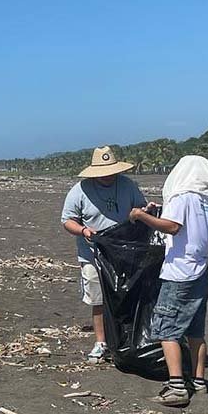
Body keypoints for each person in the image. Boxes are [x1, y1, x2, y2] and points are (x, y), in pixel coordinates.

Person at [129, 155, 208, 407]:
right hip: (201, 273)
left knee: (167, 329)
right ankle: (199, 382)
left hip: (180, 273)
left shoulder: (181, 196)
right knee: (195, 332)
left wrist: (140, 216)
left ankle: (176, 386)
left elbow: (172, 227)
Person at [60, 146, 146, 360]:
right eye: (103, 172)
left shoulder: (127, 185)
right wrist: (84, 230)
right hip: (92, 254)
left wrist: (145, 212)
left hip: (124, 252)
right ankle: (101, 342)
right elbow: (67, 220)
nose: (108, 176)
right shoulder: (80, 190)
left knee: (125, 296)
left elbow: (141, 209)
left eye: (111, 171)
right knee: (98, 299)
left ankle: (126, 338)